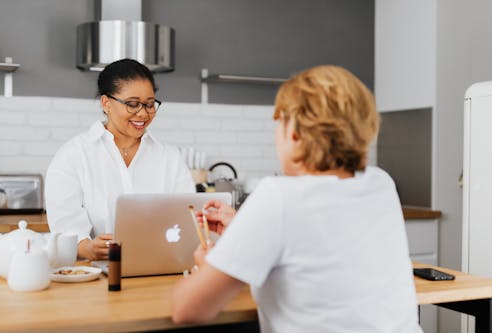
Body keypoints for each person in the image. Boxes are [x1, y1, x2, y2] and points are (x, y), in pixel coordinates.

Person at [171, 65, 422, 333]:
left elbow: (187, 310)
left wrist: (212, 262)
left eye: (279, 122)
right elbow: (324, 240)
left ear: (294, 133)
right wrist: (245, 227)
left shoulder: (278, 197)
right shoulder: (380, 183)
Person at [45, 58, 195, 261]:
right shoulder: (73, 155)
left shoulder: (169, 157)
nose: (143, 113)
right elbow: (65, 229)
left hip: (161, 270)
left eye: (150, 104)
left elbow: (187, 220)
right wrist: (88, 248)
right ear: (106, 103)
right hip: (97, 277)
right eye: (132, 104)